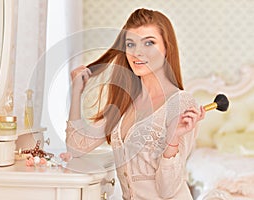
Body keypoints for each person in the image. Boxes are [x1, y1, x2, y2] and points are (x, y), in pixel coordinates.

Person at [61, 8, 205, 200]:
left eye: (149, 43)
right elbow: (76, 147)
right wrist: (77, 91)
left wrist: (173, 140)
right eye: (131, 44)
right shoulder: (125, 102)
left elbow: (167, 190)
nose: (137, 52)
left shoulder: (181, 103)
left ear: (166, 49)